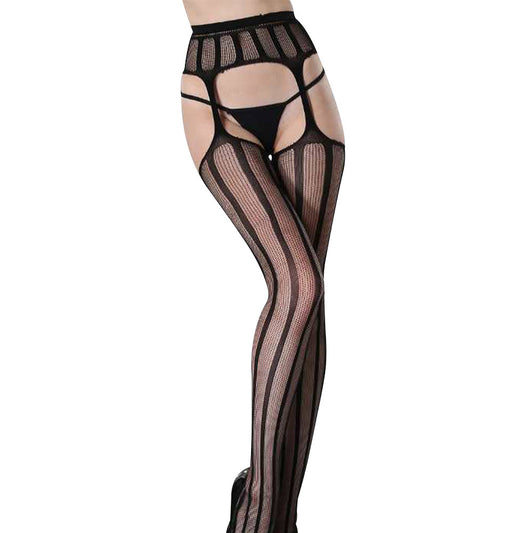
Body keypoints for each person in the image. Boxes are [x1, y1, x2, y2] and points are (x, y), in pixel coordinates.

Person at [180, 2, 345, 532]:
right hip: (215, 89)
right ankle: (257, 509)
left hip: (302, 79)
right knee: (299, 285)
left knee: (309, 304)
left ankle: (281, 517)